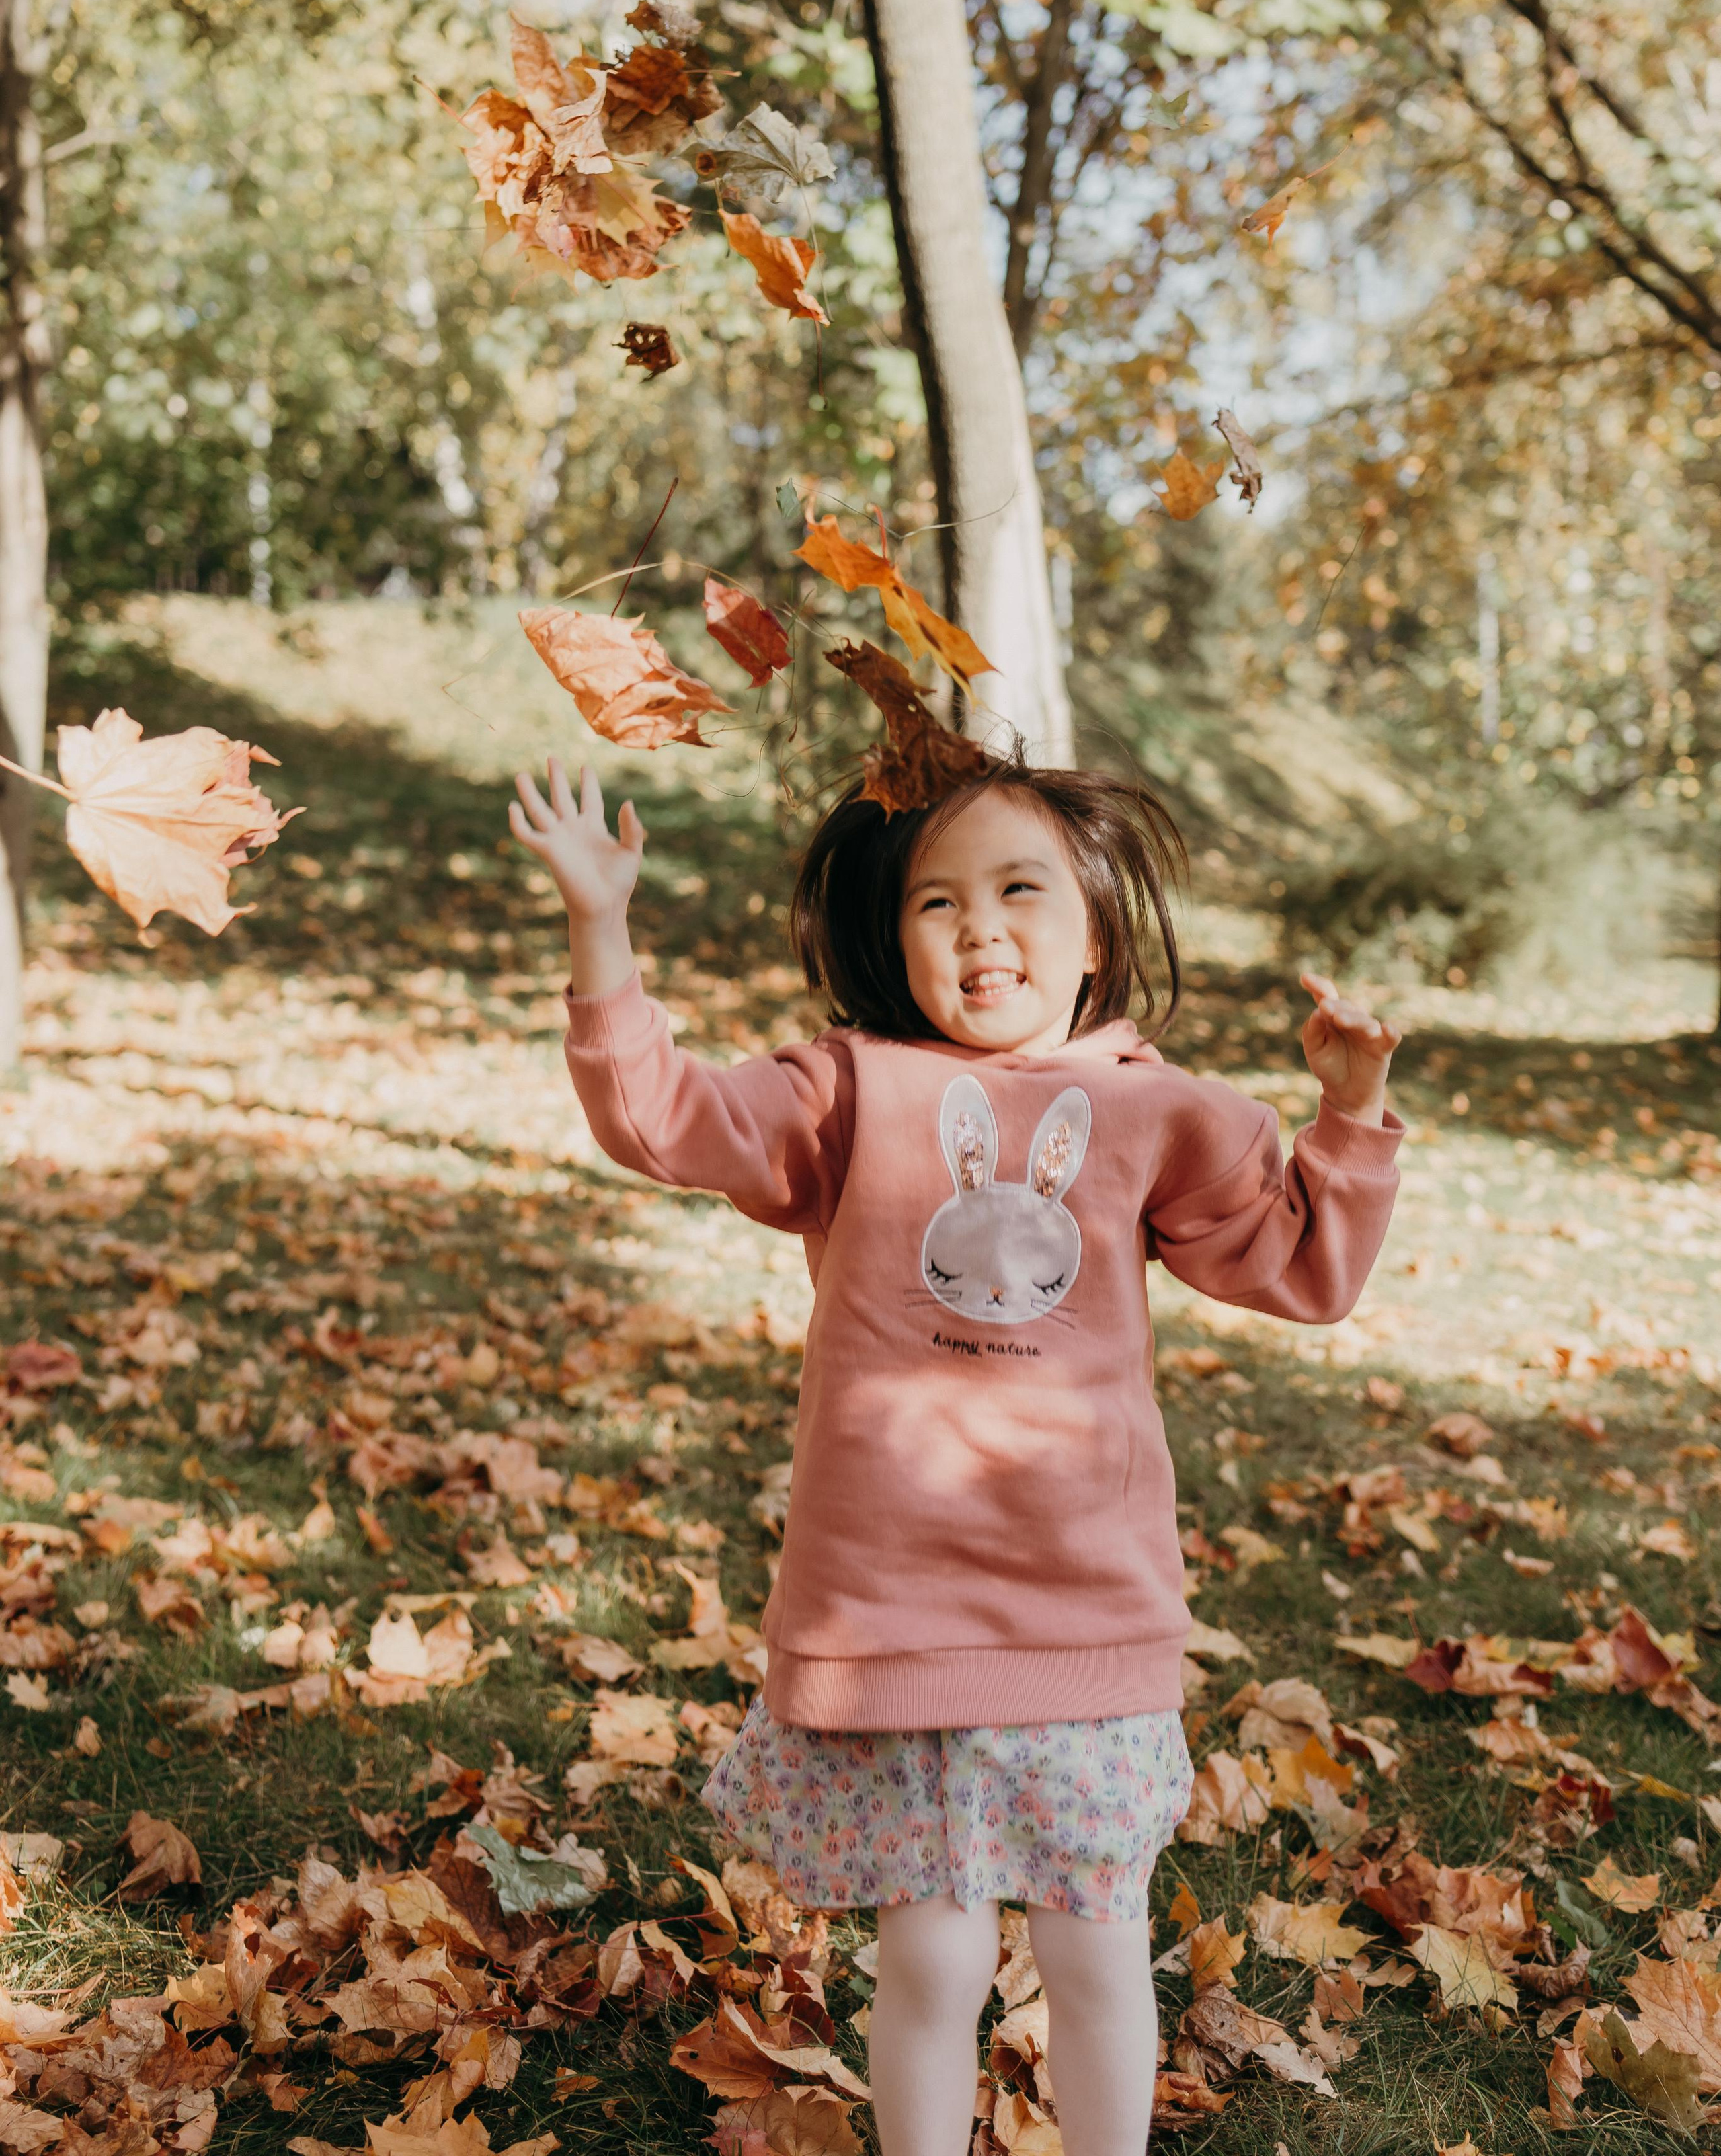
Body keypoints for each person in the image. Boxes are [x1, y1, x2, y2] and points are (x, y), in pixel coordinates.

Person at [510, 749, 1403, 2156]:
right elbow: (667, 1119)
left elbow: (1304, 1266)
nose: (978, 926)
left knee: (1096, 1956)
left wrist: (1345, 1118)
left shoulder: (1158, 1109)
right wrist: (598, 930)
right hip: (895, 1616)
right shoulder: (849, 1092)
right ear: (892, 933)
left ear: (1095, 927)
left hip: (1084, 1621)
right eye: (937, 900)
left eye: (1017, 889)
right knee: (928, 1961)